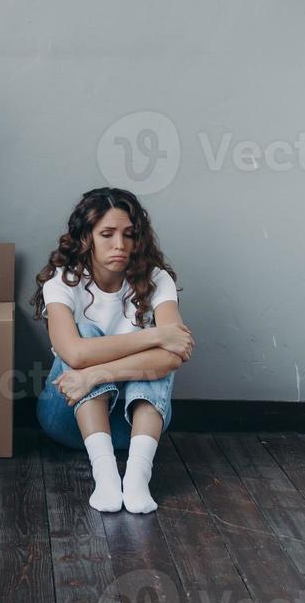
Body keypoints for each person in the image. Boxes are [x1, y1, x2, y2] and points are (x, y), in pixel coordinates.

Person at [30, 187, 194, 513]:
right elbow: (74, 354)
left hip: (133, 427)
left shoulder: (156, 279)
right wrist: (154, 336)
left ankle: (136, 477)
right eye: (107, 234)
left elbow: (172, 356)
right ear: (86, 237)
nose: (119, 245)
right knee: (89, 333)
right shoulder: (62, 283)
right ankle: (105, 476)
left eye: (129, 235)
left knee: (158, 362)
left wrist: (98, 373)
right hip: (67, 417)